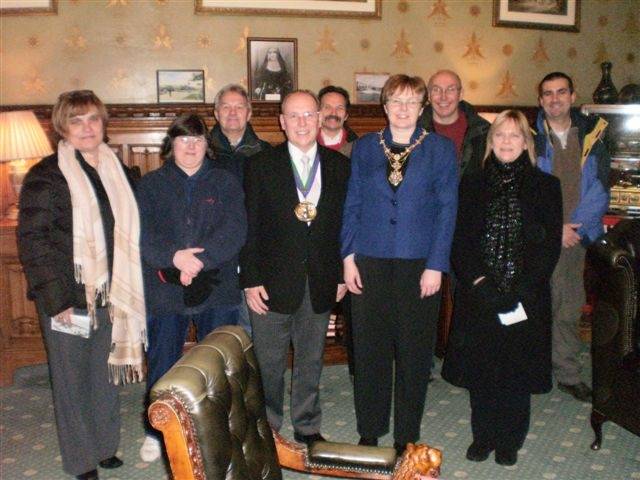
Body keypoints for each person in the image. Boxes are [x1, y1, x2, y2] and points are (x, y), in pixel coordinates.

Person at [17, 90, 146, 480]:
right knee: (71, 383)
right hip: (68, 298)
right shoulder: (47, 174)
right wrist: (54, 298)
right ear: (62, 126)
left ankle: (105, 446)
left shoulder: (117, 169)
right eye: (76, 120)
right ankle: (81, 460)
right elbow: (33, 241)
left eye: (93, 119)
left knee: (103, 376)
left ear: (104, 124)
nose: (86, 128)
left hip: (111, 294)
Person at [341, 74, 458, 455]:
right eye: (396, 101)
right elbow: (352, 205)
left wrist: (436, 264)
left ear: (422, 108)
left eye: (411, 102)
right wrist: (347, 257)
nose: (403, 109)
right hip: (370, 262)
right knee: (371, 350)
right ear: (385, 106)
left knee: (414, 353)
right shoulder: (363, 148)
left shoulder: (440, 150)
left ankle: (407, 434)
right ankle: (370, 430)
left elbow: (447, 210)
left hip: (418, 265)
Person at [442, 109, 563, 467]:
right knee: (482, 369)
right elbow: (460, 241)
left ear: (527, 143)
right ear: (490, 142)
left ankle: (510, 439)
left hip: (525, 296)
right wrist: (482, 285)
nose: (506, 142)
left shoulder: (546, 186)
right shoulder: (472, 183)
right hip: (480, 294)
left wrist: (520, 290)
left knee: (515, 369)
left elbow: (549, 246)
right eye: (500, 136)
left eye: (514, 136)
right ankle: (483, 436)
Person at [240, 90, 350, 447]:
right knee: (268, 363)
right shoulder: (260, 166)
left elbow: (343, 228)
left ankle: (306, 424)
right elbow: (249, 227)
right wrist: (251, 279)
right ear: (282, 122)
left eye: (308, 115)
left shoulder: (339, 168)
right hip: (270, 283)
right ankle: (268, 425)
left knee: (311, 359)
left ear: (319, 119)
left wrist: (339, 275)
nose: (302, 123)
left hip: (320, 280)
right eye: (294, 116)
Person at [137, 114, 247, 462]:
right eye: (184, 140)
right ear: (171, 145)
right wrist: (174, 258)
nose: (191, 146)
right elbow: (141, 234)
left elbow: (235, 231)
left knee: (219, 365)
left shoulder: (225, 182)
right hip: (165, 289)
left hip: (217, 286)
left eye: (198, 139)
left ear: (207, 145)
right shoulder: (150, 185)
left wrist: (198, 261)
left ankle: (221, 428)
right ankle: (158, 432)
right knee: (164, 364)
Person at [535, 71, 610, 402]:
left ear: (572, 95)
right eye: (548, 93)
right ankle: (534, 370)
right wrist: (554, 228)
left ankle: (566, 372)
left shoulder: (594, 135)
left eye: (561, 92)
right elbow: (526, 189)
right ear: (541, 100)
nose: (554, 99)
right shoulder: (530, 136)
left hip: (575, 237)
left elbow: (601, 187)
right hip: (538, 235)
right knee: (536, 305)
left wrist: (573, 227)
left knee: (568, 305)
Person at [210, 83, 271, 335]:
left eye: (239, 107)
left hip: (254, 258)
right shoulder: (201, 154)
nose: (232, 112)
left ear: (249, 113)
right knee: (217, 337)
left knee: (252, 333)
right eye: (226, 107)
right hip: (214, 261)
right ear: (216, 113)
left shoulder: (267, 155)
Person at [421, 69, 490, 176]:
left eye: (450, 89)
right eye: (436, 90)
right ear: (429, 95)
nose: (443, 97)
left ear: (461, 94)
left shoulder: (483, 131)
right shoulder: (414, 131)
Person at [317, 85, 359, 157]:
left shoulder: (358, 147)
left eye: (339, 108)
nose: (333, 113)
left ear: (346, 115)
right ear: (318, 112)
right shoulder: (306, 143)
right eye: (327, 107)